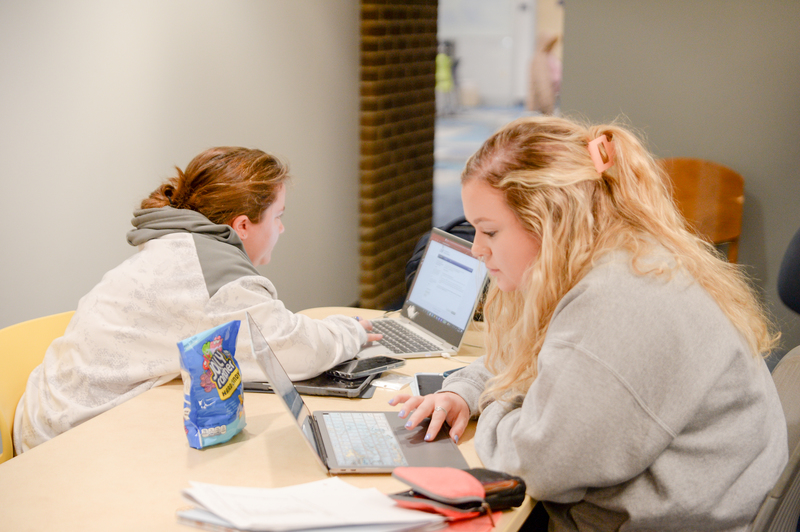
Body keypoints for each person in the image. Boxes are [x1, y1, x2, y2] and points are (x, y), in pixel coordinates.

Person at [390, 117, 788, 530]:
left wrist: (496, 401)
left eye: (489, 231)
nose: (476, 249)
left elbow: (535, 464)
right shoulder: (620, 258)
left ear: (551, 219)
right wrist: (466, 391)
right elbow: (528, 354)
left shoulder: (619, 302)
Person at [15, 147, 379, 453]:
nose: (281, 228)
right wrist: (351, 332)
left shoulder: (181, 248)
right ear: (242, 226)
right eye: (278, 216)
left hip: (52, 412)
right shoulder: (212, 278)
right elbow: (296, 351)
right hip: (64, 442)